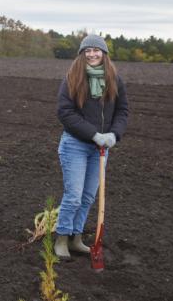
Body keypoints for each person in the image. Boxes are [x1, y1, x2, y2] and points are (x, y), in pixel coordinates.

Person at [54, 34, 129, 259]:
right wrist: (94, 134)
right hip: (75, 145)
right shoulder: (72, 79)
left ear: (104, 54)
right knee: (74, 196)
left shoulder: (115, 79)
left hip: (101, 149)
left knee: (88, 197)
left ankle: (77, 238)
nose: (92, 54)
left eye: (97, 50)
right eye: (88, 50)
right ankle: (62, 238)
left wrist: (114, 135)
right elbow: (65, 113)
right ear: (82, 54)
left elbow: (123, 111)